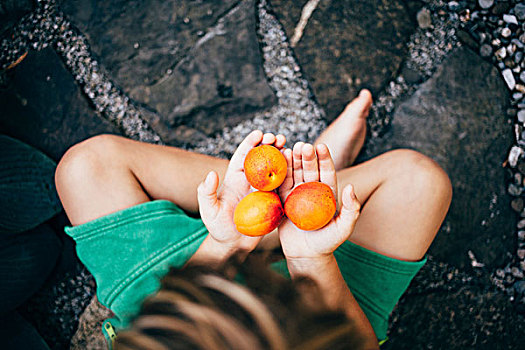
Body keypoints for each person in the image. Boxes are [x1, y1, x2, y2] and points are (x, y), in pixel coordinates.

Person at [55, 90, 452, 349]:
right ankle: (301, 193)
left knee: (85, 168)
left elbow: (167, 310)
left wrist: (227, 241)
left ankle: (272, 211)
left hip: (179, 289)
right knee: (420, 182)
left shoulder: (172, 328)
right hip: (322, 305)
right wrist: (310, 260)